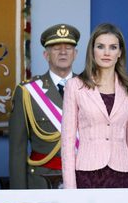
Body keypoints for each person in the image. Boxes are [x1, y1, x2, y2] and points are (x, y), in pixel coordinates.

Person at [61, 23, 128, 188]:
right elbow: (67, 142)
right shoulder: (75, 86)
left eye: (112, 47)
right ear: (92, 51)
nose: (106, 52)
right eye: (100, 46)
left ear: (119, 53)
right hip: (87, 174)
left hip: (123, 174)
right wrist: (70, 188)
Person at [9, 23, 80, 189]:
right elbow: (17, 150)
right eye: (56, 48)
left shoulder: (89, 87)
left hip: (82, 178)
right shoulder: (27, 92)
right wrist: (18, 194)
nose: (63, 52)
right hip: (42, 180)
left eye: (68, 47)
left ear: (75, 54)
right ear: (46, 55)